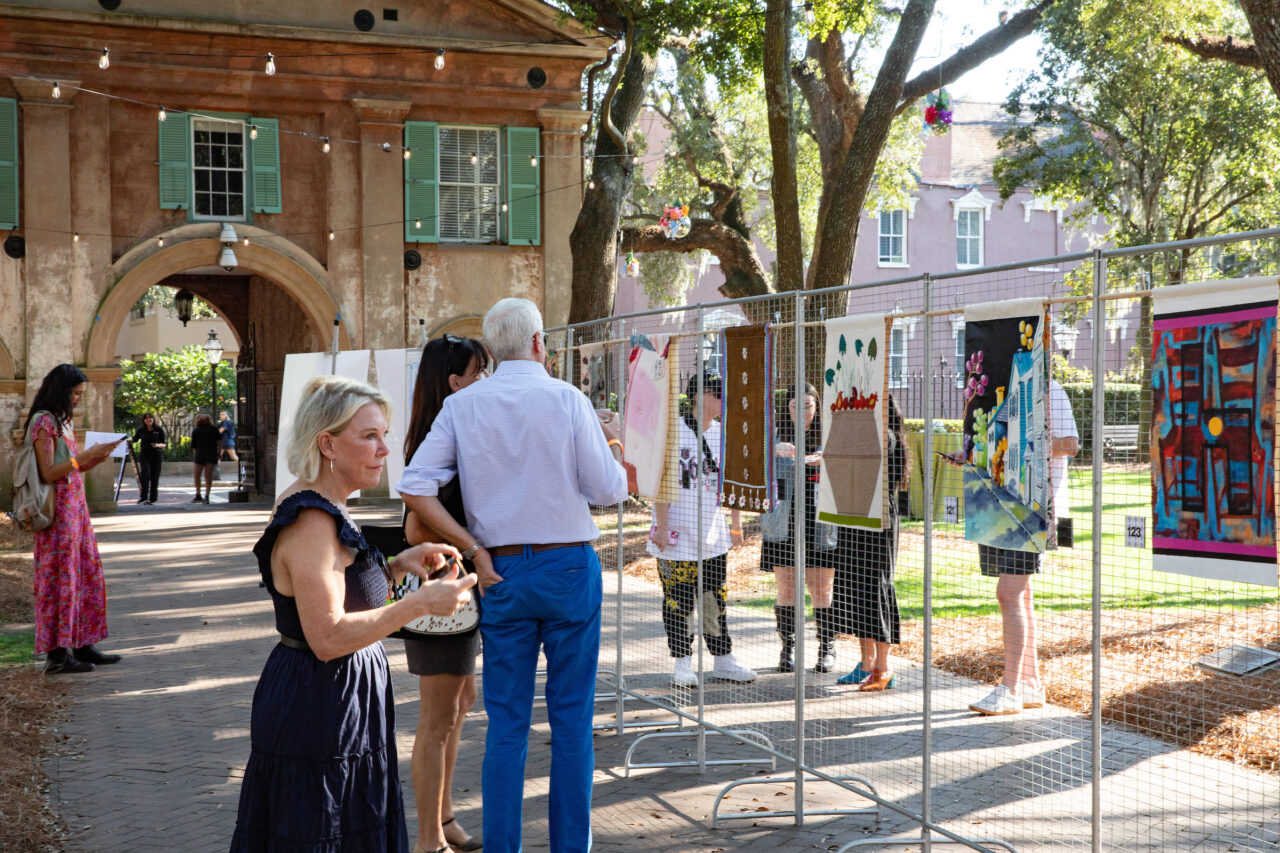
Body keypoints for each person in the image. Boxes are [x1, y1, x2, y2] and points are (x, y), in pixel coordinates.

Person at [396, 297, 627, 853]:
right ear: (539, 343)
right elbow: (608, 490)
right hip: (567, 562)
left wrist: (473, 547)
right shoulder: (566, 398)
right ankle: (571, 846)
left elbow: (414, 486)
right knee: (572, 721)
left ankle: (503, 847)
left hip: (499, 567)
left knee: (507, 722)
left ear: (495, 350)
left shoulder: (464, 406)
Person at [229, 375, 477, 852]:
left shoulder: (328, 508)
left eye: (384, 435)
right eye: (369, 436)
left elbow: (341, 592)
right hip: (317, 704)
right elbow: (327, 635)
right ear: (328, 444)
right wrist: (416, 605)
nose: (385, 449)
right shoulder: (311, 522)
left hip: (342, 700)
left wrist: (395, 566)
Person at [400, 334, 490, 853]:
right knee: (438, 718)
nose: (488, 382)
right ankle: (429, 839)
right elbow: (414, 527)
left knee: (459, 702)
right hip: (442, 592)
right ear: (455, 383)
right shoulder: (447, 434)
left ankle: (445, 819)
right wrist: (472, 547)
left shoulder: (445, 429)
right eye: (480, 372)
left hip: (453, 592)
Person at [967, 377, 1079, 716]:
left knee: (1009, 593)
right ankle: (1030, 683)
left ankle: (1010, 688)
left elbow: (1070, 444)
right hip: (996, 504)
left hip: (1032, 507)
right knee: (1020, 594)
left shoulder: (1050, 389)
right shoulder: (993, 391)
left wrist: (1022, 444)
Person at [648, 372, 756, 687]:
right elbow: (662, 481)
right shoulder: (673, 432)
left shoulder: (725, 434)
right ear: (698, 396)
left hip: (713, 536)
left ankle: (723, 660)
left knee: (715, 599)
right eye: (718, 393)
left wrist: (735, 524)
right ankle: (682, 662)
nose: (724, 399)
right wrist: (662, 526)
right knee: (677, 599)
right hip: (676, 535)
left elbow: (732, 481)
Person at [26, 363, 125, 673]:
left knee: (84, 574)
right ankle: (57, 655)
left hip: (75, 511)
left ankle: (83, 643)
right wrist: (82, 457)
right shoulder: (44, 422)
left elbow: (69, 468)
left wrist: (93, 459)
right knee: (61, 580)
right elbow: (49, 472)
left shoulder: (60, 421)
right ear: (61, 390)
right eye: (76, 393)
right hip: (57, 516)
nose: (79, 399)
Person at [761, 383, 847, 673]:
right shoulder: (775, 435)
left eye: (808, 406)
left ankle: (827, 648)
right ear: (788, 408)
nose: (803, 412)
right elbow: (754, 464)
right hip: (783, 522)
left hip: (820, 522)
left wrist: (829, 458)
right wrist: (775, 450)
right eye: (796, 406)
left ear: (816, 407)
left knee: (822, 589)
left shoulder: (830, 435)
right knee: (786, 588)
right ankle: (788, 649)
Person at [836, 393, 909, 691]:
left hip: (878, 519)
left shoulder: (886, 436)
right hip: (855, 514)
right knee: (858, 587)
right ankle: (867, 663)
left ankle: (884, 666)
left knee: (877, 586)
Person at [130, 412, 166, 505]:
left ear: (153, 419)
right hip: (145, 455)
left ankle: (153, 498)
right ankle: (143, 497)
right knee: (145, 474)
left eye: (150, 418)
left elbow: (164, 444)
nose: (148, 420)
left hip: (156, 455)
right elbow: (134, 440)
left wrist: (157, 445)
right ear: (144, 420)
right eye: (146, 418)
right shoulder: (141, 430)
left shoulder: (159, 430)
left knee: (155, 477)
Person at [190, 413, 220, 503]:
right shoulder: (214, 429)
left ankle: (198, 494)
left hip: (200, 453)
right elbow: (220, 440)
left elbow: (193, 445)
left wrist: (195, 455)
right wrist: (219, 452)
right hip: (211, 452)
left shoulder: (196, 430)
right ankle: (207, 496)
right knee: (208, 476)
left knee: (197, 475)